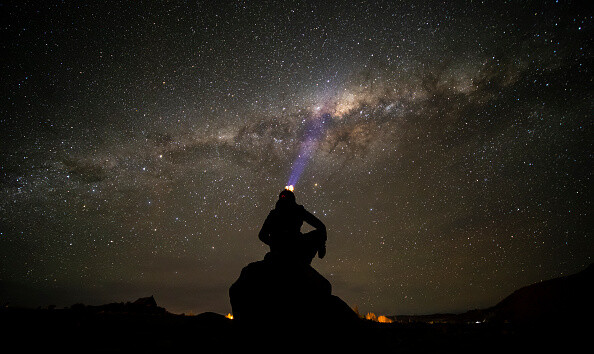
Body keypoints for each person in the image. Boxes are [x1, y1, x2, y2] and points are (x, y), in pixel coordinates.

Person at [258, 188, 326, 265]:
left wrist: (274, 244)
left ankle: (302, 262)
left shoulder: (294, 211)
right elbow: (321, 226)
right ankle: (303, 262)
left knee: (318, 234)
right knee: (318, 234)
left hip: (293, 244)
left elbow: (262, 235)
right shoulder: (295, 211)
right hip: (291, 246)